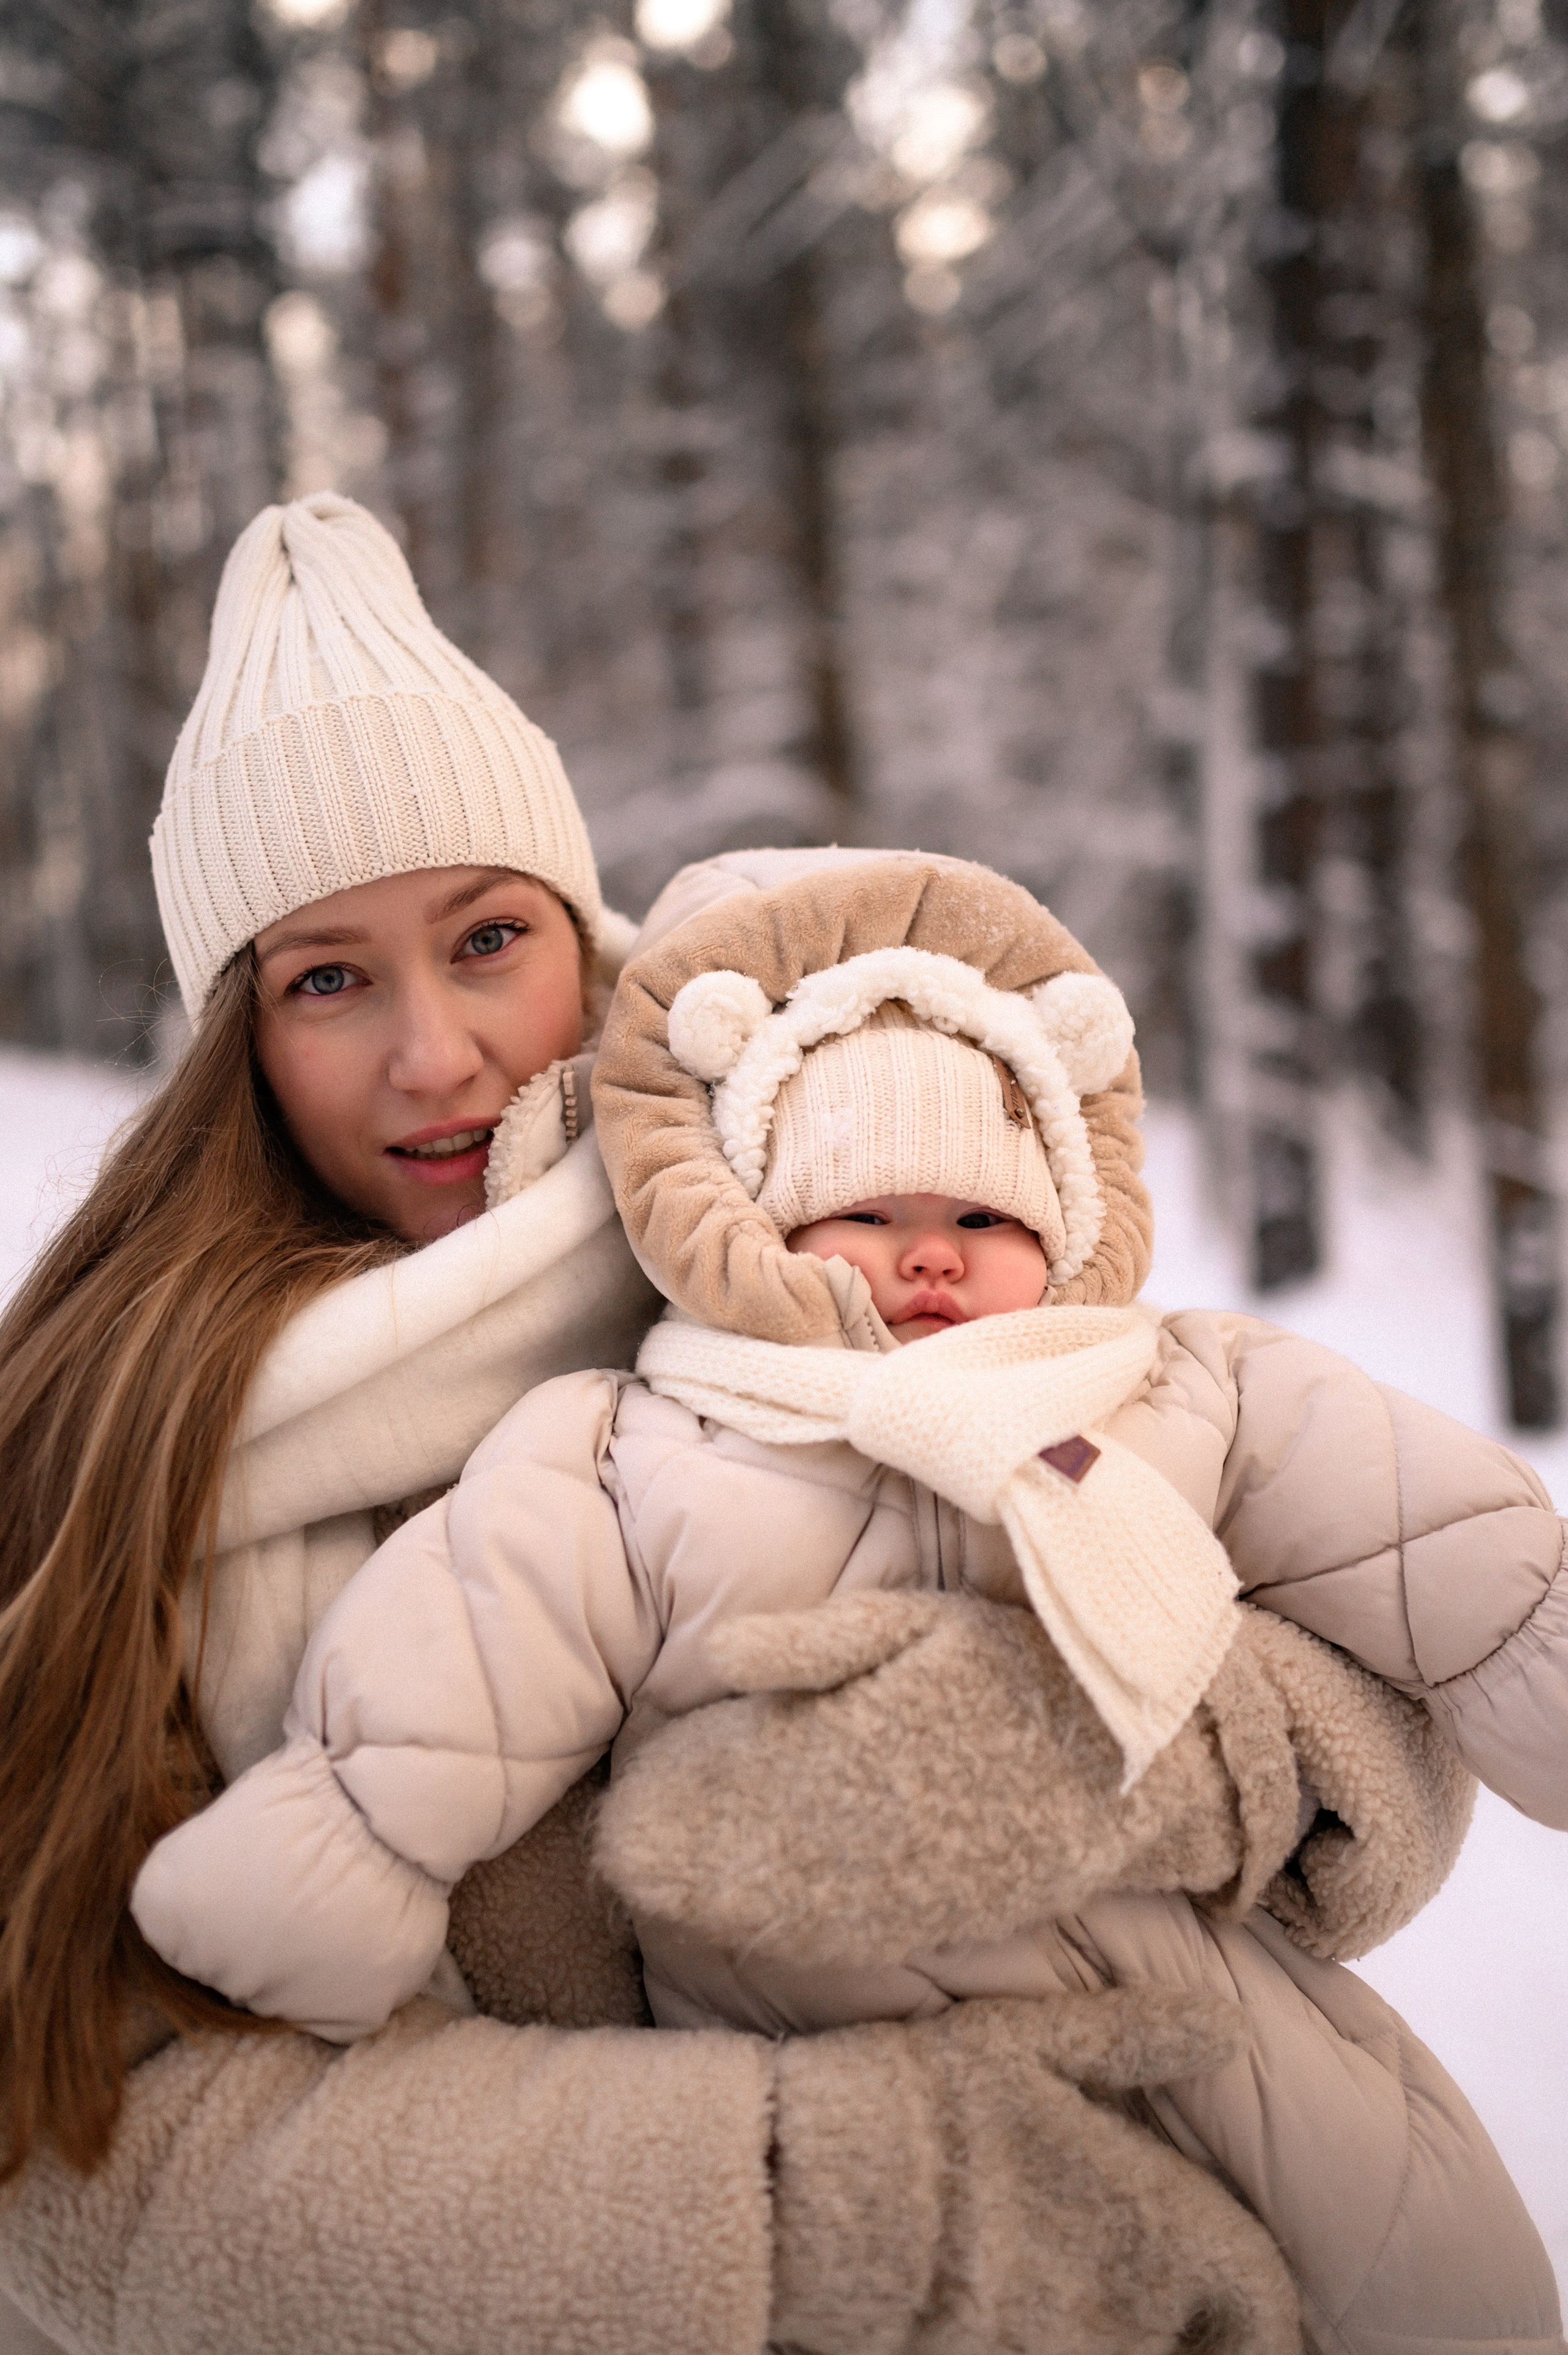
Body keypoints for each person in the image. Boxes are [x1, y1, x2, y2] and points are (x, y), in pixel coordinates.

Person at [0, 495, 1317, 2355]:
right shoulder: (130, 1426)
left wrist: (1250, 1753)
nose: (436, 1054)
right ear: (234, 1043)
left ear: (585, 933)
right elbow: (82, 2158)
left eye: (484, 938)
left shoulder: (830, 1220)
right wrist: (860, 2188)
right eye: (326, 978)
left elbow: (1265, 1543)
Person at [132, 850, 1567, 2354]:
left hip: (1212, 2014)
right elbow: (472, 1650)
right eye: (864, 1209)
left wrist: (1230, 1745)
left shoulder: (1156, 1380)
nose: (928, 1252)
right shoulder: (647, 1429)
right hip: (800, 2071)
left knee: (1400, 2258)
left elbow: (1420, 1531)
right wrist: (331, 1860)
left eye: (981, 1214)